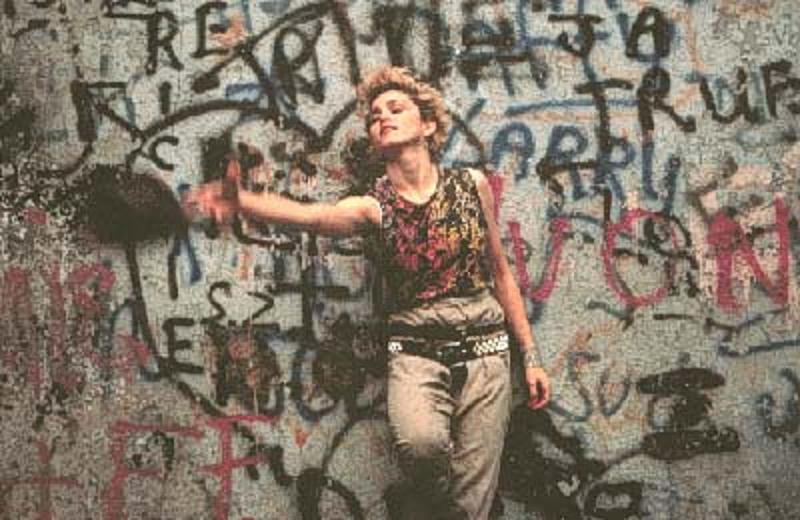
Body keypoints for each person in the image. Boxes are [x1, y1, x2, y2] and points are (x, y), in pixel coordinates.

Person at [186, 66, 550, 519]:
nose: (383, 118)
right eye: (375, 116)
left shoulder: (471, 185)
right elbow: (312, 217)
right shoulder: (372, 207)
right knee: (420, 445)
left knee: (472, 496)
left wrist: (530, 357)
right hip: (417, 351)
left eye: (396, 109)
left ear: (428, 125)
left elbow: (500, 272)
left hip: (485, 350)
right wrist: (241, 200)